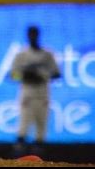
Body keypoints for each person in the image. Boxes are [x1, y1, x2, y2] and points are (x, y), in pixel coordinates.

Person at [10, 25, 61, 157]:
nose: (32, 37)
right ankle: (19, 155)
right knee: (23, 125)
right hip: (27, 94)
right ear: (27, 36)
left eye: (35, 34)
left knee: (41, 127)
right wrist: (25, 75)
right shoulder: (21, 55)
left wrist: (43, 75)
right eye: (30, 34)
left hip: (42, 94)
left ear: (38, 35)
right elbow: (13, 75)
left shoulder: (47, 55)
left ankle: (39, 155)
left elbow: (57, 74)